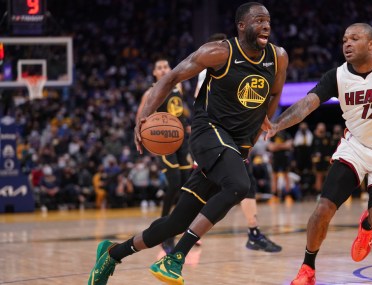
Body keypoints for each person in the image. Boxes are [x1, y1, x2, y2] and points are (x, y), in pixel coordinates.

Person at [87, 2, 288, 285]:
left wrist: (264, 122)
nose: (266, 25)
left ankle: (111, 253)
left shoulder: (278, 57)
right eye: (258, 20)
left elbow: (275, 93)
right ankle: (175, 257)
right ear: (242, 26)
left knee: (176, 222)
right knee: (240, 185)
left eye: (268, 20)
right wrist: (143, 117)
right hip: (209, 134)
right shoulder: (218, 52)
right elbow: (171, 78)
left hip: (237, 144)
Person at [263, 23, 372, 285]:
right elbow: (307, 104)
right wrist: (276, 125)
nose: (347, 44)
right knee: (323, 208)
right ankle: (307, 268)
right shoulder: (336, 76)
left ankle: (368, 226)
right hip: (355, 148)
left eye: (354, 38)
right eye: (344, 40)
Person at [195, 32, 282, 252]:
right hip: (213, 137)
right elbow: (201, 104)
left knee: (245, 183)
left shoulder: (237, 64)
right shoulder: (207, 68)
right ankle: (188, 229)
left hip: (235, 136)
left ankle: (253, 231)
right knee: (202, 187)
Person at [137, 58, 193, 253]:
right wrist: (145, 138)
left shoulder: (179, 86)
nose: (163, 70)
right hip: (164, 143)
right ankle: (165, 233)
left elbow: (180, 109)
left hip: (182, 140)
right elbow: (140, 118)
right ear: (154, 73)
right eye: (159, 67)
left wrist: (186, 122)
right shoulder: (150, 92)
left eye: (165, 66)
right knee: (174, 184)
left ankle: (180, 226)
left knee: (187, 185)